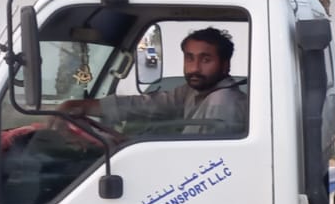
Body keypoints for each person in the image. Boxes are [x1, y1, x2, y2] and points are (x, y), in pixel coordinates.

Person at [62, 27, 247, 137]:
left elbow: (199, 157)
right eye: (189, 58)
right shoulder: (192, 91)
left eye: (205, 60)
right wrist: (83, 106)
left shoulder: (223, 101)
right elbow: (148, 105)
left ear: (225, 65)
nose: (194, 68)